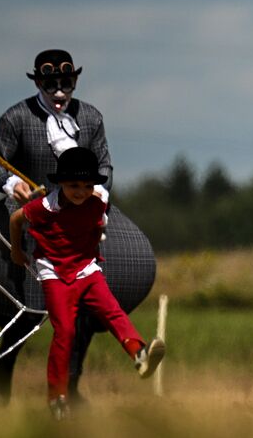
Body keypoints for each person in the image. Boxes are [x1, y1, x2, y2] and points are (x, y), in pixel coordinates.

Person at [0, 48, 155, 406]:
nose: (58, 90)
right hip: (35, 215)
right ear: (38, 81)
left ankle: (72, 385)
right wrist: (13, 186)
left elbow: (105, 165)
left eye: (65, 82)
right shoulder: (16, 118)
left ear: (74, 81)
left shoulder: (91, 117)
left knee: (90, 312)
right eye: (50, 83)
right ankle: (3, 375)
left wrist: (93, 197)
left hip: (84, 214)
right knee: (30, 313)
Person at [9, 147, 165, 419]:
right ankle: (57, 397)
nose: (80, 191)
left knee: (111, 310)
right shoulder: (44, 206)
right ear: (60, 184)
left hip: (86, 269)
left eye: (86, 185)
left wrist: (92, 247)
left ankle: (140, 356)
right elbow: (16, 218)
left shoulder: (97, 204)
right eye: (73, 186)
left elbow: (97, 226)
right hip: (54, 272)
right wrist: (16, 250)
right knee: (65, 332)